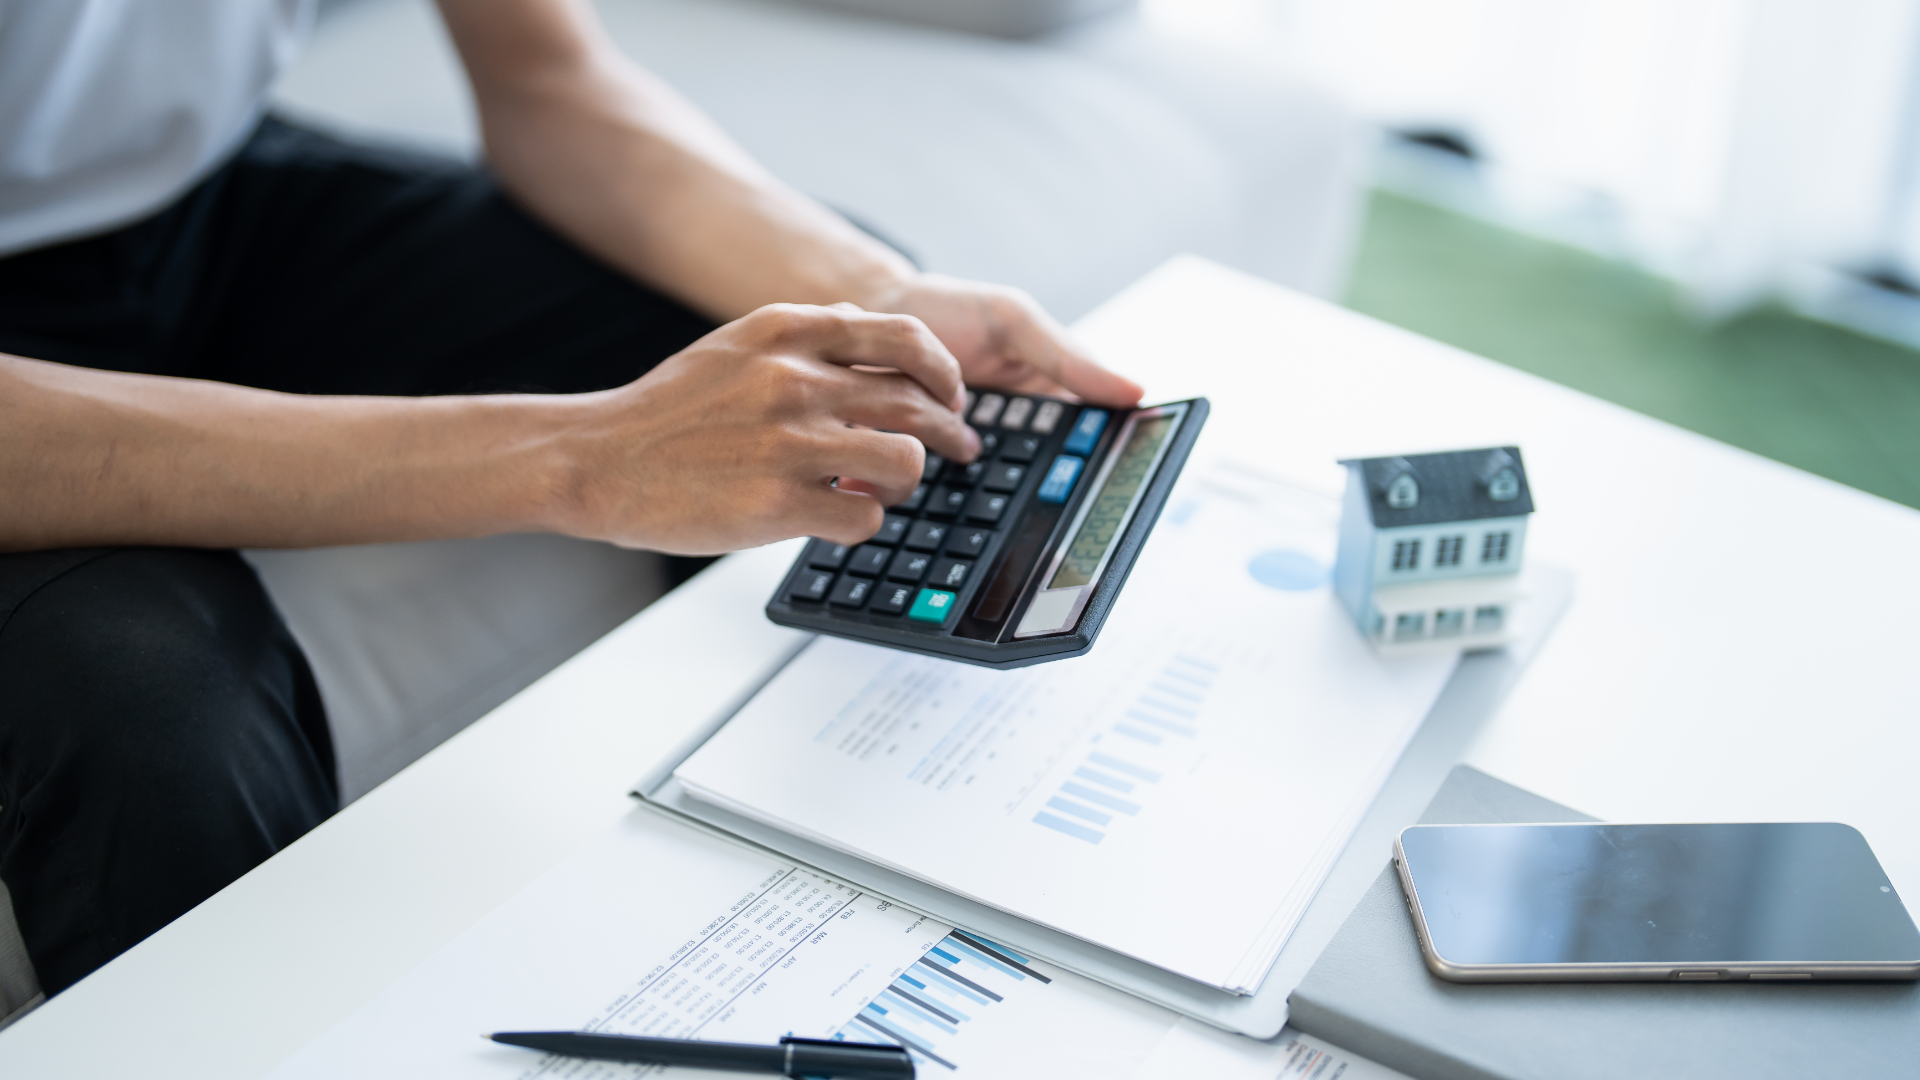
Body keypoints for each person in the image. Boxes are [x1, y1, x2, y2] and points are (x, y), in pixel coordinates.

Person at [0, 0, 1143, 996]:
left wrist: (876, 294)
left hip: (198, 195)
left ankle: (877, 873)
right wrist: (580, 457)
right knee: (148, 702)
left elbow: (550, 77)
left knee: (827, 371)